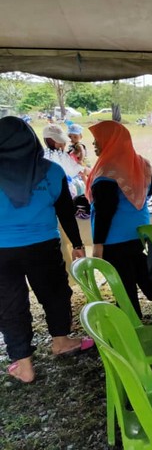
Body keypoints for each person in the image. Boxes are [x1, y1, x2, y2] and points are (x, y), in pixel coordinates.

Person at [0, 116, 94, 384]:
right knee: (55, 293)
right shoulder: (52, 171)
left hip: (1, 250)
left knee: (9, 305)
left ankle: (24, 365)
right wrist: (77, 244)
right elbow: (65, 211)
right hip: (43, 246)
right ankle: (61, 341)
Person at [86, 120, 152, 318]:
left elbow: (104, 211)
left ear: (111, 141)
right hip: (138, 230)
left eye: (98, 140)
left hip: (115, 237)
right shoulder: (142, 163)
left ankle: (131, 321)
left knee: (123, 282)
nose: (94, 144)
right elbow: (148, 192)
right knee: (134, 265)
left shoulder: (108, 170)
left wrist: (98, 244)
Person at [42, 123, 87, 198]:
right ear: (50, 141)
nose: (64, 144)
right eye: (61, 142)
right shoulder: (57, 156)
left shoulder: (44, 153)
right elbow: (75, 171)